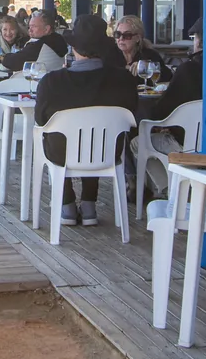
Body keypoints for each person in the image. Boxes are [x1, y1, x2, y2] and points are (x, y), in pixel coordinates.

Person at [35, 15, 138, 226]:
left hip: (62, 153)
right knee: (96, 139)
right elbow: (132, 113)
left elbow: (40, 119)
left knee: (56, 137)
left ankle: (67, 205)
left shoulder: (52, 82)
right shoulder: (124, 80)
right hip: (107, 153)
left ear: (74, 48)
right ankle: (89, 205)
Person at [2, 10, 69, 72]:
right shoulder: (59, 40)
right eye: (29, 26)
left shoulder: (39, 45)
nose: (30, 30)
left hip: (35, 83)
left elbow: (13, 62)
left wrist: (4, 58)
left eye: (34, 26)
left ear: (46, 29)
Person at [114, 14, 172, 85]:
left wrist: (147, 68)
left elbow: (168, 77)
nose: (121, 38)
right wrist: (126, 68)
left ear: (138, 38)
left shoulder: (150, 55)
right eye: (118, 34)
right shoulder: (111, 54)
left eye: (127, 35)